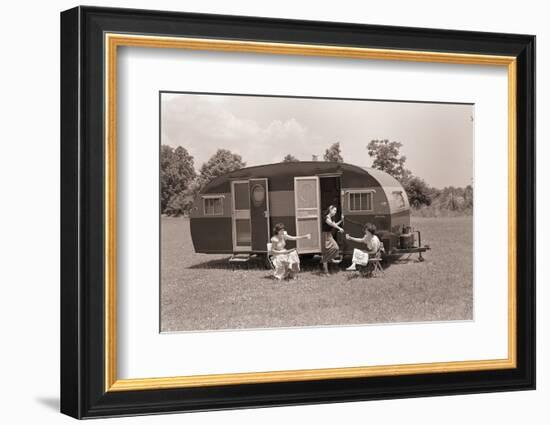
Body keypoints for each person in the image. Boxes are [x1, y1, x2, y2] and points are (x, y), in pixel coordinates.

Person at [321, 205, 344, 276]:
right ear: (330, 209)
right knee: (327, 251)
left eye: (336, 211)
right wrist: (339, 228)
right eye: (334, 210)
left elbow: (334, 224)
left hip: (329, 235)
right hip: (325, 235)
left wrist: (341, 221)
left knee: (336, 248)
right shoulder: (326, 217)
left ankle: (329, 259)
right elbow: (331, 224)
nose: (335, 212)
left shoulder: (330, 218)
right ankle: (326, 271)